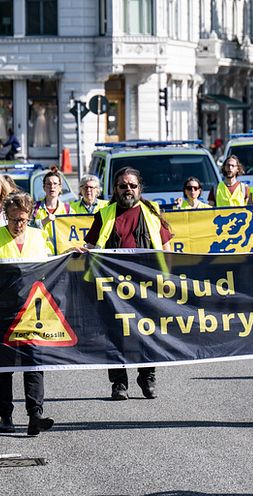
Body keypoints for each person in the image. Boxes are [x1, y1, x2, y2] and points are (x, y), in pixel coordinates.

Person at [0, 193, 55, 436]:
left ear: (30, 217)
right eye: (14, 220)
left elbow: (50, 270)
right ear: (6, 216)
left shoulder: (38, 236)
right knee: (3, 366)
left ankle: (35, 415)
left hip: (31, 312)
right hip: (1, 311)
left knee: (34, 363)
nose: (19, 225)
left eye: (24, 220)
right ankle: (5, 415)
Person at [83, 167, 173, 401]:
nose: (128, 190)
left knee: (146, 332)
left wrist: (168, 278)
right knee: (115, 335)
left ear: (139, 188)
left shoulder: (152, 213)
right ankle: (119, 383)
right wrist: (79, 252)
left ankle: (147, 376)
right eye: (123, 186)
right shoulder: (104, 215)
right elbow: (92, 248)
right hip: (112, 288)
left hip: (146, 285)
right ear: (116, 189)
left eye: (132, 185)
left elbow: (166, 248)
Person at [33, 167, 72, 242]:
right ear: (44, 187)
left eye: (55, 184)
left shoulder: (68, 210)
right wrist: (43, 222)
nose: (52, 187)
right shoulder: (34, 208)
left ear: (60, 188)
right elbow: (27, 230)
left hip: (61, 252)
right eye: (48, 184)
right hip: (41, 251)